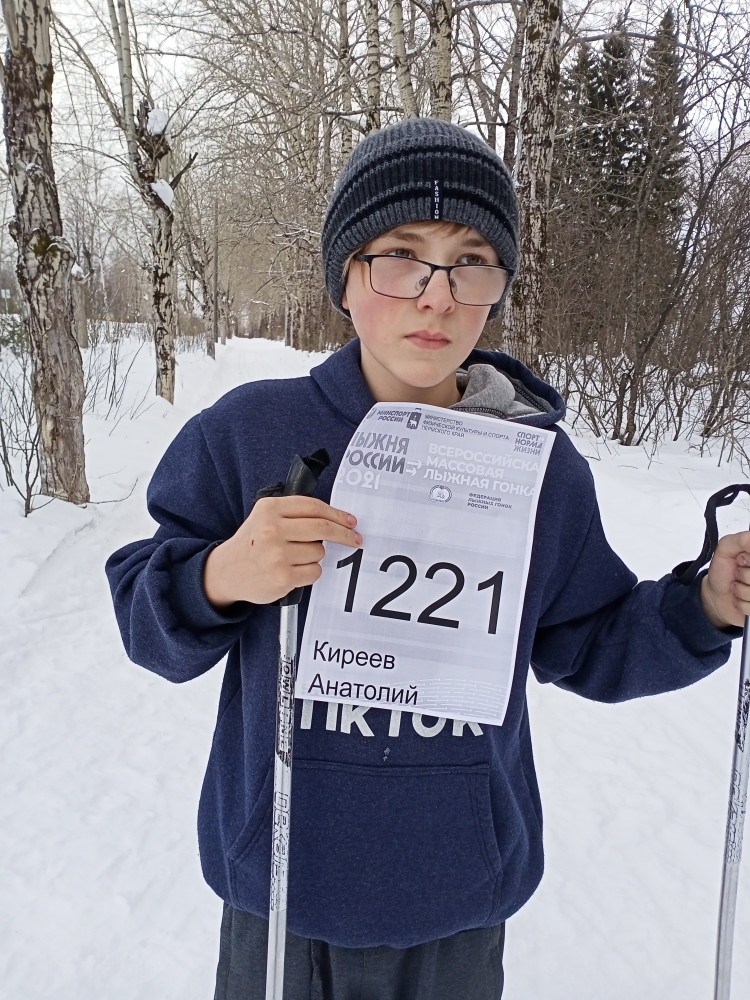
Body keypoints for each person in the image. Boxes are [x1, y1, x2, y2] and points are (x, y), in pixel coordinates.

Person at [106, 119, 750, 1000]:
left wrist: (705, 606)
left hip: (455, 900)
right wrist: (221, 575)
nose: (436, 296)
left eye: (470, 261)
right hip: (281, 887)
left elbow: (591, 639)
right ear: (346, 275)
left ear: (499, 285)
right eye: (401, 255)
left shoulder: (539, 467)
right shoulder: (249, 432)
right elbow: (143, 616)